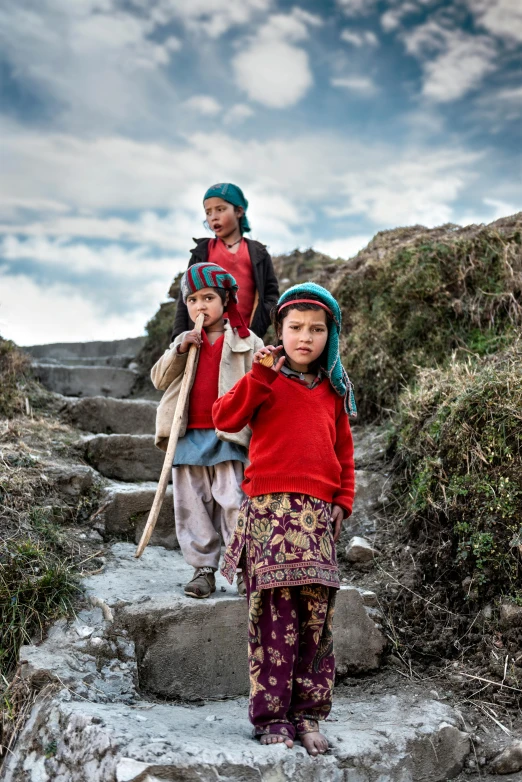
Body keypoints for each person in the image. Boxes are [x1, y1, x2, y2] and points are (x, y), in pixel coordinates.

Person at [213, 282, 357, 756]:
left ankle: (309, 713)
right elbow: (225, 418)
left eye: (317, 329)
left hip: (317, 520)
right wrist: (258, 376)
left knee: (316, 621)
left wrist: (343, 501)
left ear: (329, 337)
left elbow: (344, 454)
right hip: (270, 516)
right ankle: (271, 716)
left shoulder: (334, 392)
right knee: (274, 620)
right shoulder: (264, 377)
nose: (305, 337)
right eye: (295, 327)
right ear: (280, 331)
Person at [151, 262, 264, 598]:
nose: (200, 306)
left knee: (234, 501)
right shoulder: (185, 342)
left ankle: (244, 568)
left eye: (209, 297)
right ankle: (203, 569)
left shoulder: (246, 340)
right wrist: (180, 348)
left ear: (226, 299)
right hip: (187, 436)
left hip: (228, 435)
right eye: (193, 299)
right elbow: (158, 379)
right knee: (192, 505)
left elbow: (263, 381)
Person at [172, 183, 279, 341]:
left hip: (244, 339)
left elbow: (271, 296)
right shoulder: (202, 252)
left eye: (220, 209)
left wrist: (255, 331)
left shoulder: (258, 253)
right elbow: (186, 297)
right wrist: (179, 337)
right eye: (208, 212)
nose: (213, 216)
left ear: (239, 211)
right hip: (205, 339)